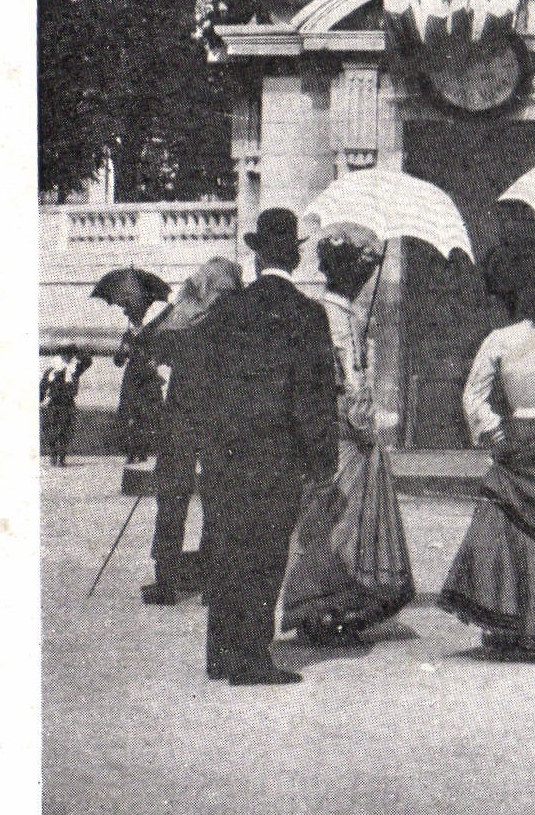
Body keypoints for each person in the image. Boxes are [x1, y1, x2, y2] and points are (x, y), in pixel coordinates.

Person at [201, 209, 340, 686]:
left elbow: (204, 382)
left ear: (258, 256)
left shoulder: (225, 312)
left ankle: (221, 653)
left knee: (225, 546)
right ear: (296, 257)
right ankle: (252, 659)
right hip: (276, 452)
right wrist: (323, 459)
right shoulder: (307, 314)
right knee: (264, 554)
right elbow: (314, 397)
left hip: (224, 451)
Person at [438, 240, 535, 663]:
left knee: (509, 526)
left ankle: (508, 620)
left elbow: (473, 397)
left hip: (517, 434)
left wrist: (492, 430)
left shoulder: (499, 339)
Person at [277, 235, 414, 649]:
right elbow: (348, 384)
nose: (366, 281)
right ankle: (325, 607)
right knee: (339, 519)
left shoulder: (343, 315)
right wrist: (367, 424)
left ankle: (332, 607)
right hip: (342, 433)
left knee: (334, 518)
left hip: (336, 430)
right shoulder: (336, 318)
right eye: (362, 273)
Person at [138, 258, 243, 606]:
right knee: (219, 497)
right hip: (220, 418)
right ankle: (213, 582)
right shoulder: (236, 321)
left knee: (172, 495)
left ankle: (166, 578)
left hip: (182, 416)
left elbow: (151, 347)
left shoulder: (183, 318)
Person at [113, 310, 164, 465]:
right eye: (133, 318)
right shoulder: (127, 336)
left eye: (138, 318)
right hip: (132, 379)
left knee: (145, 414)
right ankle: (131, 451)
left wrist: (155, 361)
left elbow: (159, 353)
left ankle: (142, 450)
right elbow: (118, 362)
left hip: (147, 378)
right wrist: (123, 351)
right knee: (130, 414)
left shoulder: (150, 333)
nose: (135, 320)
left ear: (142, 319)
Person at [40, 347, 92, 466]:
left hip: (68, 403)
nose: (67, 357)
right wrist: (40, 396)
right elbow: (43, 385)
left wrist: (78, 352)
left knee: (66, 431)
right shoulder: (52, 370)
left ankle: (62, 458)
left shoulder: (74, 369)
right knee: (52, 431)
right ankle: (53, 456)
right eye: (65, 354)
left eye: (70, 355)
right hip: (54, 404)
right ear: (60, 355)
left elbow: (88, 361)